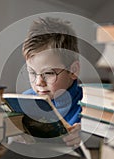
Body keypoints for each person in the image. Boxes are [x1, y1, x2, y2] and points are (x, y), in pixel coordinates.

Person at [21, 17, 82, 147]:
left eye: (48, 73)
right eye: (32, 73)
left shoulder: (90, 108)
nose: (38, 82)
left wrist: (89, 136)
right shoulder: (25, 100)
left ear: (73, 71)